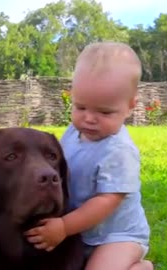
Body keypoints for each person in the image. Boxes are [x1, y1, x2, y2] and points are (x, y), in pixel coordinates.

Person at [24, 41, 154, 270]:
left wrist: (64, 227)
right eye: (81, 107)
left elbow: (107, 201)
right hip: (81, 230)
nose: (89, 118)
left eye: (104, 111)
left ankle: (141, 268)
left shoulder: (119, 151)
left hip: (116, 236)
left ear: (130, 106)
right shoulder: (73, 132)